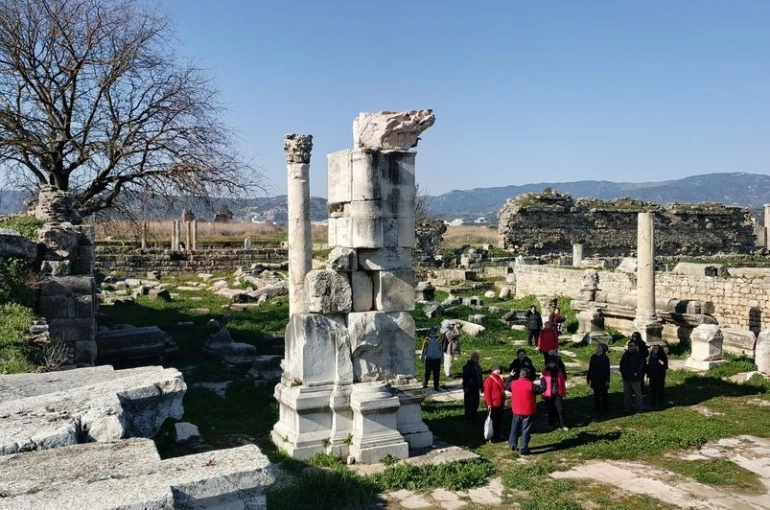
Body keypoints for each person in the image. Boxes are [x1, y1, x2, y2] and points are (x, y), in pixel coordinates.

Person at [509, 367, 544, 455]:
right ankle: (524, 449)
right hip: (527, 411)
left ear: (520, 374)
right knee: (525, 430)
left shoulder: (514, 383)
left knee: (514, 428)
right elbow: (542, 389)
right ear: (528, 375)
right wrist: (542, 379)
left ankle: (513, 444)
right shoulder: (531, 385)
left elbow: (506, 385)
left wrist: (510, 376)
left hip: (516, 410)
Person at [541, 356, 568, 431]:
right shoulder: (545, 371)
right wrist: (543, 394)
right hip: (548, 394)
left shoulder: (559, 371)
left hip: (557, 393)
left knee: (560, 409)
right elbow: (542, 383)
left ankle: (563, 424)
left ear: (555, 364)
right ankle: (551, 424)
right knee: (550, 410)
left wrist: (564, 393)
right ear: (548, 364)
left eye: (553, 363)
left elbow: (562, 383)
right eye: (550, 363)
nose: (552, 364)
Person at [620, 340, 645, 413]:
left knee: (637, 393)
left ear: (635, 346)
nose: (630, 347)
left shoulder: (639, 355)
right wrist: (622, 372)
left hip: (635, 377)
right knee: (627, 393)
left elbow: (642, 365)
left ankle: (640, 408)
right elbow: (622, 363)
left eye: (631, 346)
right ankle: (628, 407)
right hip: (626, 377)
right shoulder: (626, 354)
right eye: (629, 346)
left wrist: (637, 373)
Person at [483, 364, 506, 442]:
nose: (498, 371)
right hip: (493, 405)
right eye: (497, 369)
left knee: (499, 421)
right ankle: (491, 436)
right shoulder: (489, 380)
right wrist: (489, 404)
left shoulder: (499, 378)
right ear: (492, 371)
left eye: (499, 369)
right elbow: (487, 394)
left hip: (500, 404)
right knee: (493, 421)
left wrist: (504, 380)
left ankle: (497, 434)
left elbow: (503, 387)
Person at [587, 343, 611, 415]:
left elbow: (607, 370)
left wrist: (607, 380)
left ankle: (605, 408)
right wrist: (588, 377)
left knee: (604, 394)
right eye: (598, 346)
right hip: (595, 378)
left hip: (602, 378)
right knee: (596, 394)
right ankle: (597, 407)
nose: (598, 347)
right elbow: (590, 368)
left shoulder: (605, 358)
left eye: (600, 346)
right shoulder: (593, 356)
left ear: (603, 349)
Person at [462, 352, 483, 421]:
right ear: (472, 357)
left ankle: (474, 416)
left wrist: (481, 386)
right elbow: (465, 378)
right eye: (475, 357)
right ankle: (468, 417)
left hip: (476, 388)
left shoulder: (478, 366)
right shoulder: (467, 367)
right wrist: (465, 387)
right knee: (469, 403)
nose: (477, 358)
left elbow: (480, 377)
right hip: (469, 388)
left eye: (477, 357)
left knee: (475, 403)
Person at [420, 326, 443, 390]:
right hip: (429, 358)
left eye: (435, 330)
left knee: (437, 374)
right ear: (430, 331)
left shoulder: (439, 339)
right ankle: (425, 384)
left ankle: (436, 386)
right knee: (427, 373)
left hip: (437, 359)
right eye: (433, 330)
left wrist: (442, 359)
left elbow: (441, 349)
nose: (434, 332)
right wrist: (422, 357)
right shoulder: (427, 339)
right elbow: (423, 348)